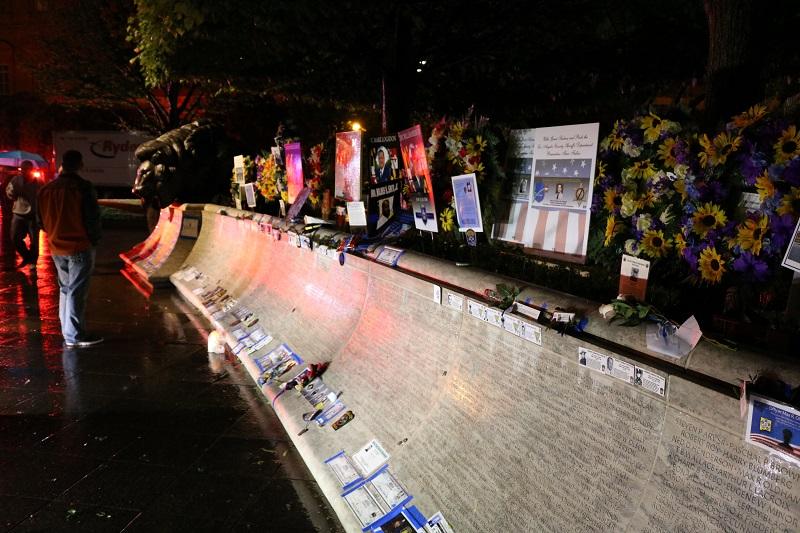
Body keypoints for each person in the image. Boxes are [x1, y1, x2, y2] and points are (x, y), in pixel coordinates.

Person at [37, 150, 103, 348]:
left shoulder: (45, 190)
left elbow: (40, 221)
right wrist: (94, 239)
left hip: (56, 247)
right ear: (80, 164)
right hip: (79, 246)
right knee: (76, 291)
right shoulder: (83, 188)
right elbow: (92, 218)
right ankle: (74, 335)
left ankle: (68, 331)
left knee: (65, 289)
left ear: (61, 165)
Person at [5, 161, 42, 268]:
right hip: (18, 213)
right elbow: (10, 195)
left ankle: (32, 262)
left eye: (28, 169)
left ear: (32, 169)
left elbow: (43, 196)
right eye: (23, 169)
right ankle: (27, 256)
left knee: (34, 240)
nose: (26, 171)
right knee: (15, 237)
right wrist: (13, 190)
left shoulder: (38, 181)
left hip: (33, 214)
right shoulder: (16, 180)